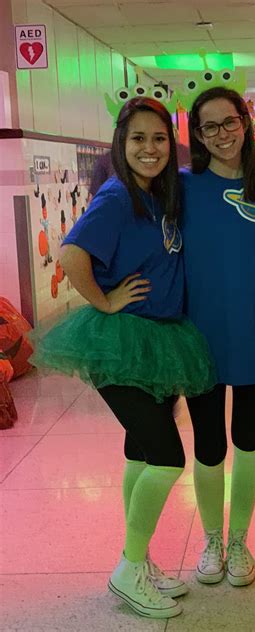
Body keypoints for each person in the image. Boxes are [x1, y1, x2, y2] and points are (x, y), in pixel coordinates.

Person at [29, 97, 216, 618]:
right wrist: (106, 300)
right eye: (138, 139)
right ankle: (128, 569)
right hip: (120, 341)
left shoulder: (158, 195)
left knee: (140, 451)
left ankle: (140, 559)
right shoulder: (117, 196)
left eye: (159, 138)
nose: (150, 148)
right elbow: (71, 254)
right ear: (121, 143)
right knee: (166, 456)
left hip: (162, 337)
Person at [180, 87, 255, 587]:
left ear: (245, 122)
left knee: (249, 437)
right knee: (208, 441)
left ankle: (239, 539)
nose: (221, 134)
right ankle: (212, 539)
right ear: (198, 135)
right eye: (209, 127)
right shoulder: (181, 187)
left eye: (229, 122)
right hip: (198, 334)